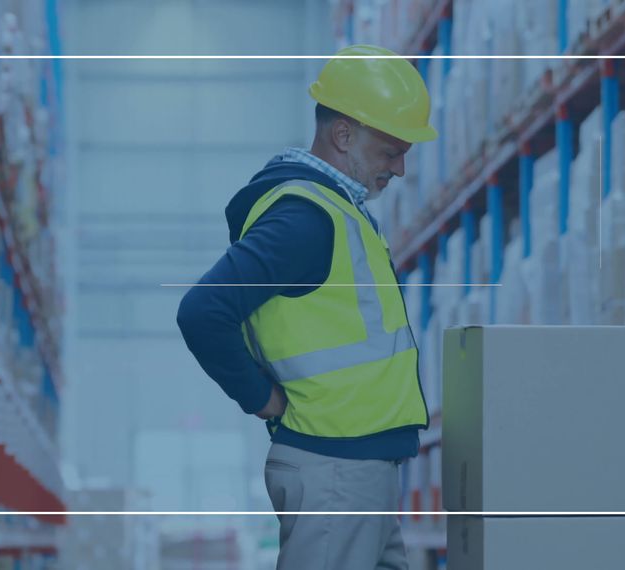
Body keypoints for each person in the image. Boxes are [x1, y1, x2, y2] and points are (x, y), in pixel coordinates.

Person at [177, 44, 437, 569]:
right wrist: (260, 397)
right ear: (344, 135)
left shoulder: (339, 213)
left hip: (358, 468)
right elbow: (202, 311)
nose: (402, 169)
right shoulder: (305, 219)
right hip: (333, 469)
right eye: (391, 151)